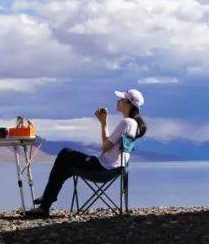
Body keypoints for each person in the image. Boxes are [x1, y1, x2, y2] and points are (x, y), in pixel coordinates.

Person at [24, 88, 147, 218]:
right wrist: (103, 123)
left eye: (121, 99)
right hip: (115, 169)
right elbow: (108, 146)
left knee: (65, 153)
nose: (118, 101)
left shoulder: (126, 122)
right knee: (64, 168)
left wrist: (104, 124)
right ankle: (46, 201)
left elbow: (104, 147)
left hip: (102, 168)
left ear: (128, 103)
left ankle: (46, 202)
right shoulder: (134, 124)